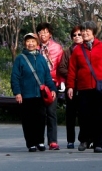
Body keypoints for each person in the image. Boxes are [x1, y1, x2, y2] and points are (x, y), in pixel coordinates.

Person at [66, 20, 102, 153]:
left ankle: (98, 143)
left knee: (99, 116)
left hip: (99, 87)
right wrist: (70, 86)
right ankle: (84, 140)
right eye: (82, 31)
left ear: (94, 33)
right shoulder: (78, 50)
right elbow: (72, 70)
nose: (84, 33)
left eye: (87, 31)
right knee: (84, 115)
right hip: (84, 88)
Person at [11, 32, 57, 152]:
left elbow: (47, 76)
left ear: (37, 44)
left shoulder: (41, 58)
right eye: (28, 41)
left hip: (39, 95)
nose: (30, 43)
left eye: (33, 41)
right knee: (28, 120)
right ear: (25, 43)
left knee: (41, 119)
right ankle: (31, 143)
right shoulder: (20, 59)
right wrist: (17, 92)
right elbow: (15, 77)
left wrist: (52, 89)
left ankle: (40, 141)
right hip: (26, 95)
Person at [36, 22, 64, 150]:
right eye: (41, 32)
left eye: (46, 32)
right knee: (40, 113)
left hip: (52, 82)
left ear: (50, 34)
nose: (43, 34)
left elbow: (61, 66)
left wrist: (61, 81)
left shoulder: (57, 48)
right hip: (37, 83)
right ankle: (39, 141)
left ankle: (53, 141)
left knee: (51, 113)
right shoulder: (34, 47)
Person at [57, 25, 83, 149]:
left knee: (85, 114)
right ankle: (70, 140)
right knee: (71, 115)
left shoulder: (88, 50)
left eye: (79, 34)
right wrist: (72, 75)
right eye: (74, 35)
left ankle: (85, 139)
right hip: (71, 86)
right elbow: (61, 67)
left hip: (85, 86)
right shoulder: (67, 52)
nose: (77, 37)